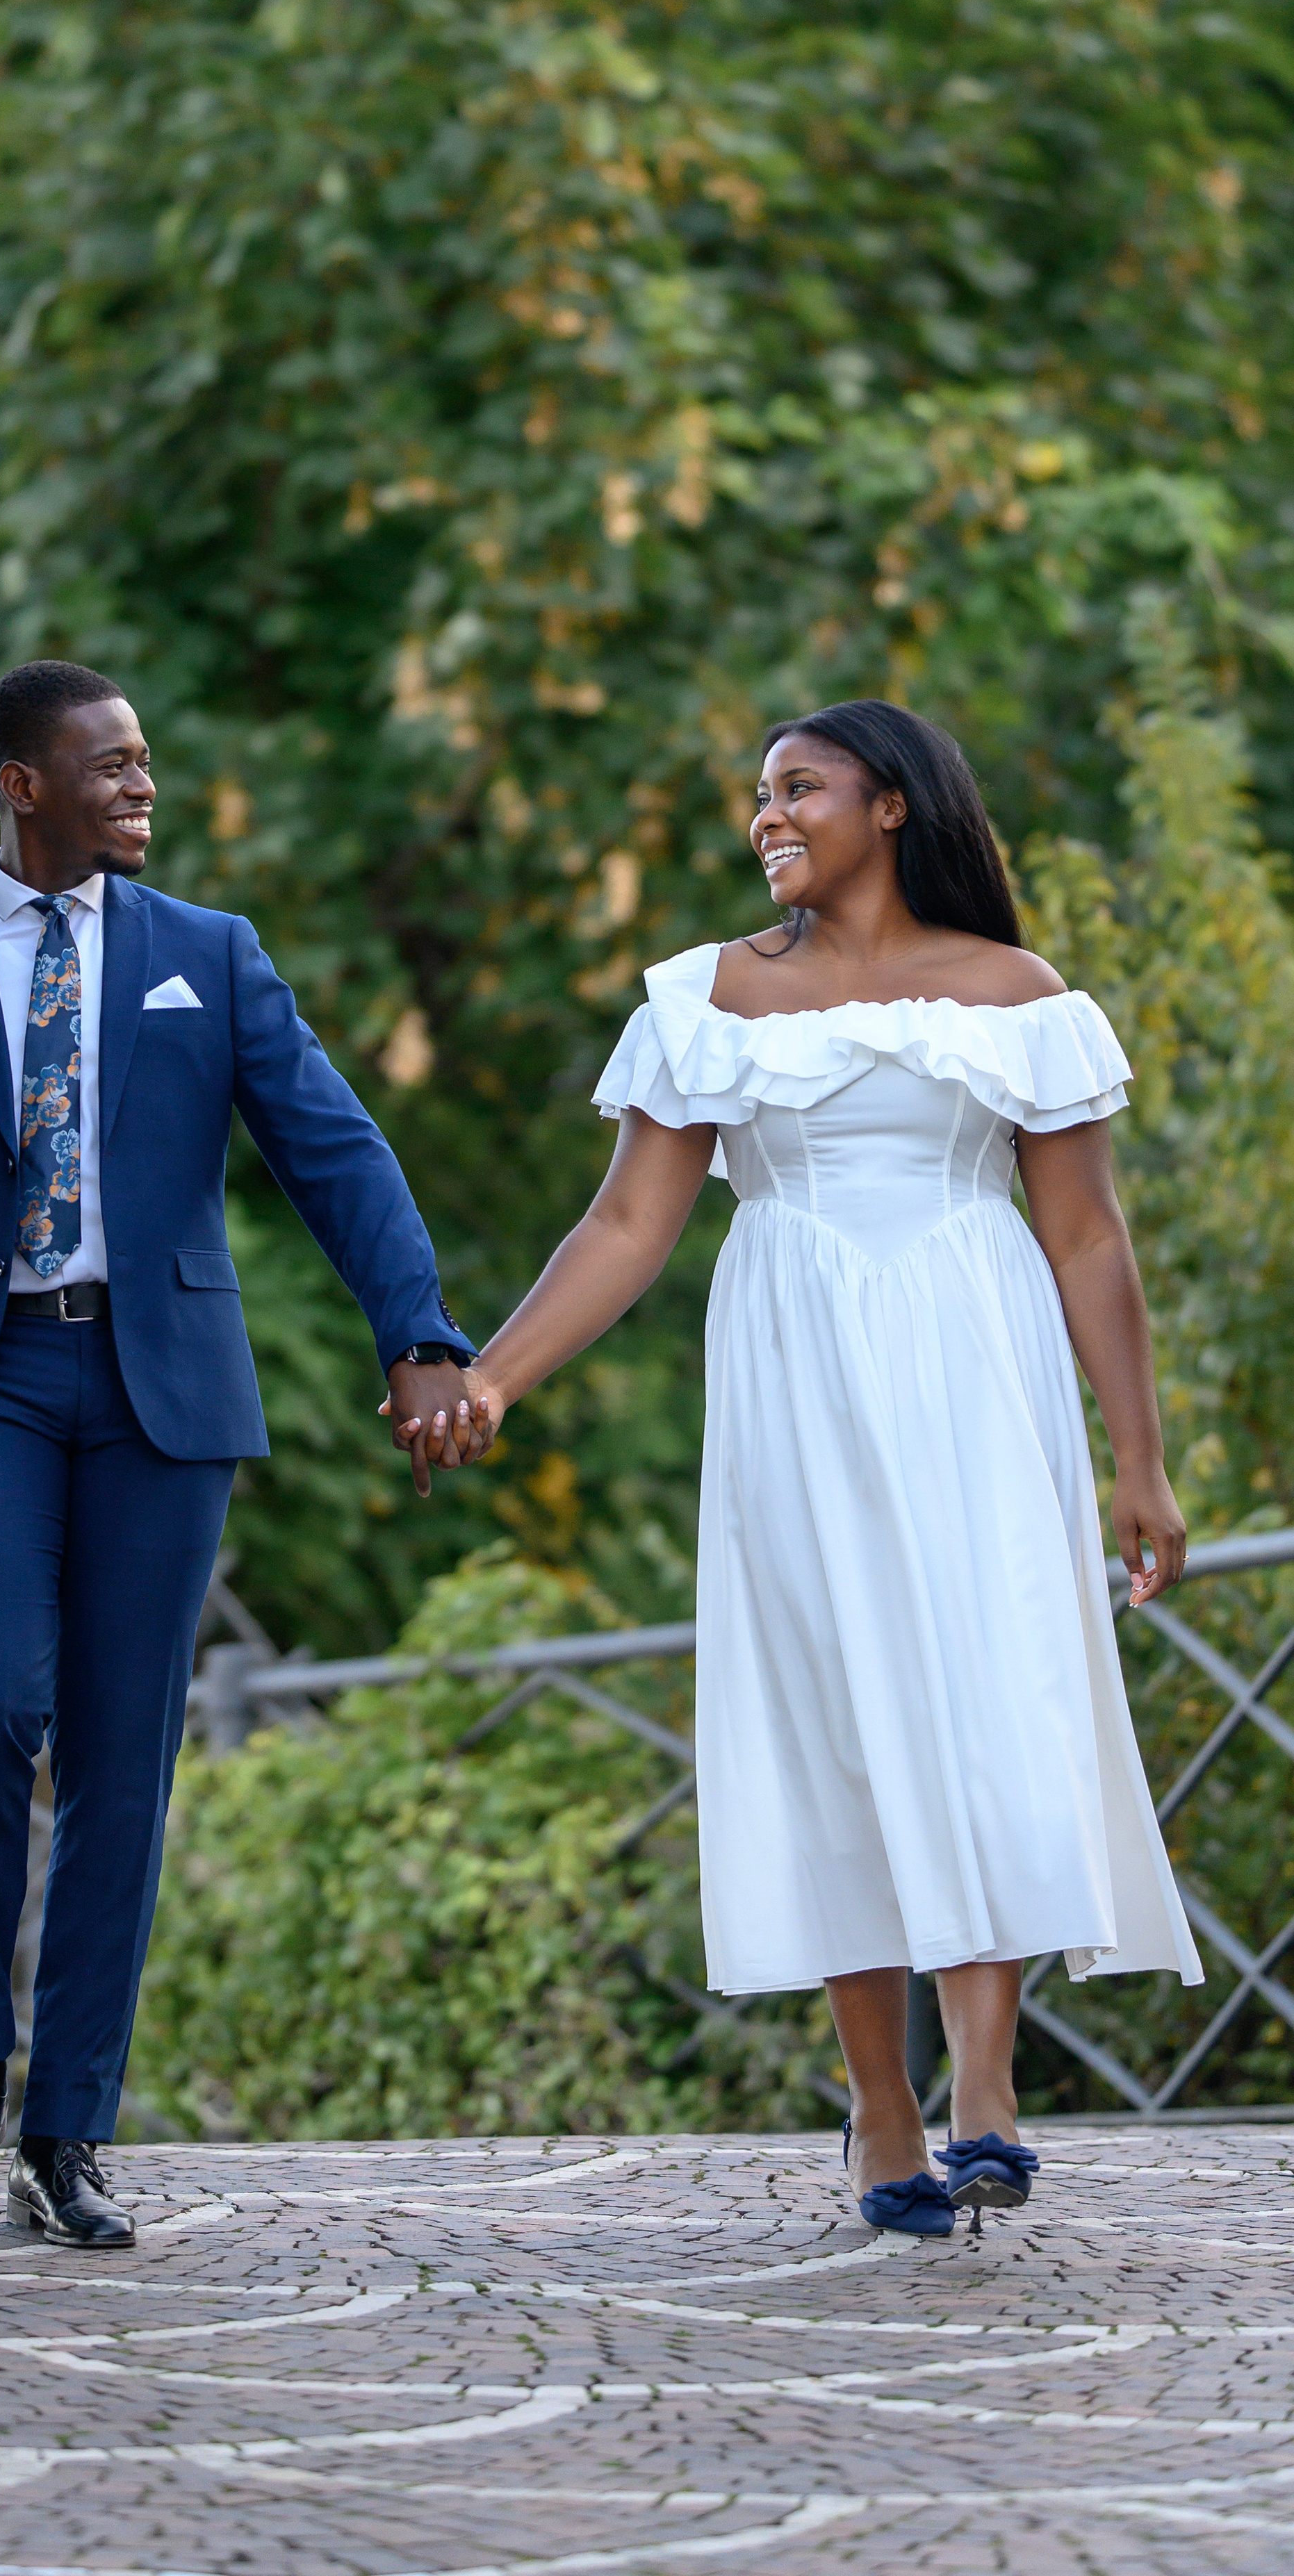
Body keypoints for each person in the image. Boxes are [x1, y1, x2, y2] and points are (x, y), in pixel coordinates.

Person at [402, 699, 1202, 2236]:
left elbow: (1087, 1236)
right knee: (823, 1710)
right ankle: (877, 2104)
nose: (765, 815)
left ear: (890, 805)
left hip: (979, 1366)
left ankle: (981, 2079)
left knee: (988, 1696)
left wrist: (1137, 1460)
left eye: (799, 787)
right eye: (756, 795)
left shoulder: (1012, 993)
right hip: (794, 1373)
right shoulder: (702, 1001)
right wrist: (491, 1374)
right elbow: (625, 1228)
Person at [0, 659, 474, 2242]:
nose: (140, 788)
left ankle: (69, 2127)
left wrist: (419, 1329)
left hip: (161, 1388)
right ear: (20, 783)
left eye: (145, 763)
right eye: (107, 765)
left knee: (123, 1752)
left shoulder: (207, 958)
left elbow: (333, 1148)